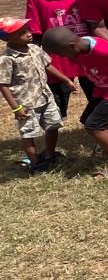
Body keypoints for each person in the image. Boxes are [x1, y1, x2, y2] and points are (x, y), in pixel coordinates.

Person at [41, 26, 108, 177]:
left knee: (94, 125)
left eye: (62, 54)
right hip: (103, 89)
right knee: (88, 119)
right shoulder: (81, 47)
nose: (64, 57)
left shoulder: (101, 50)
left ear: (71, 47)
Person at [0, 17, 72, 173]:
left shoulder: (35, 48)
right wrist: (15, 108)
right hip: (25, 102)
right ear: (7, 38)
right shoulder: (6, 59)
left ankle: (50, 153)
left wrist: (66, 79)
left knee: (53, 124)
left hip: (45, 96)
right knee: (28, 132)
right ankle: (36, 162)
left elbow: (48, 65)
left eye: (27, 29)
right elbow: (3, 84)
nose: (28, 34)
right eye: (21, 32)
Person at [25, 0, 89, 120]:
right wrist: (39, 58)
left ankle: (94, 124)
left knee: (95, 93)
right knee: (58, 99)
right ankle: (54, 129)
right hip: (58, 58)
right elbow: (36, 31)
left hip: (84, 53)